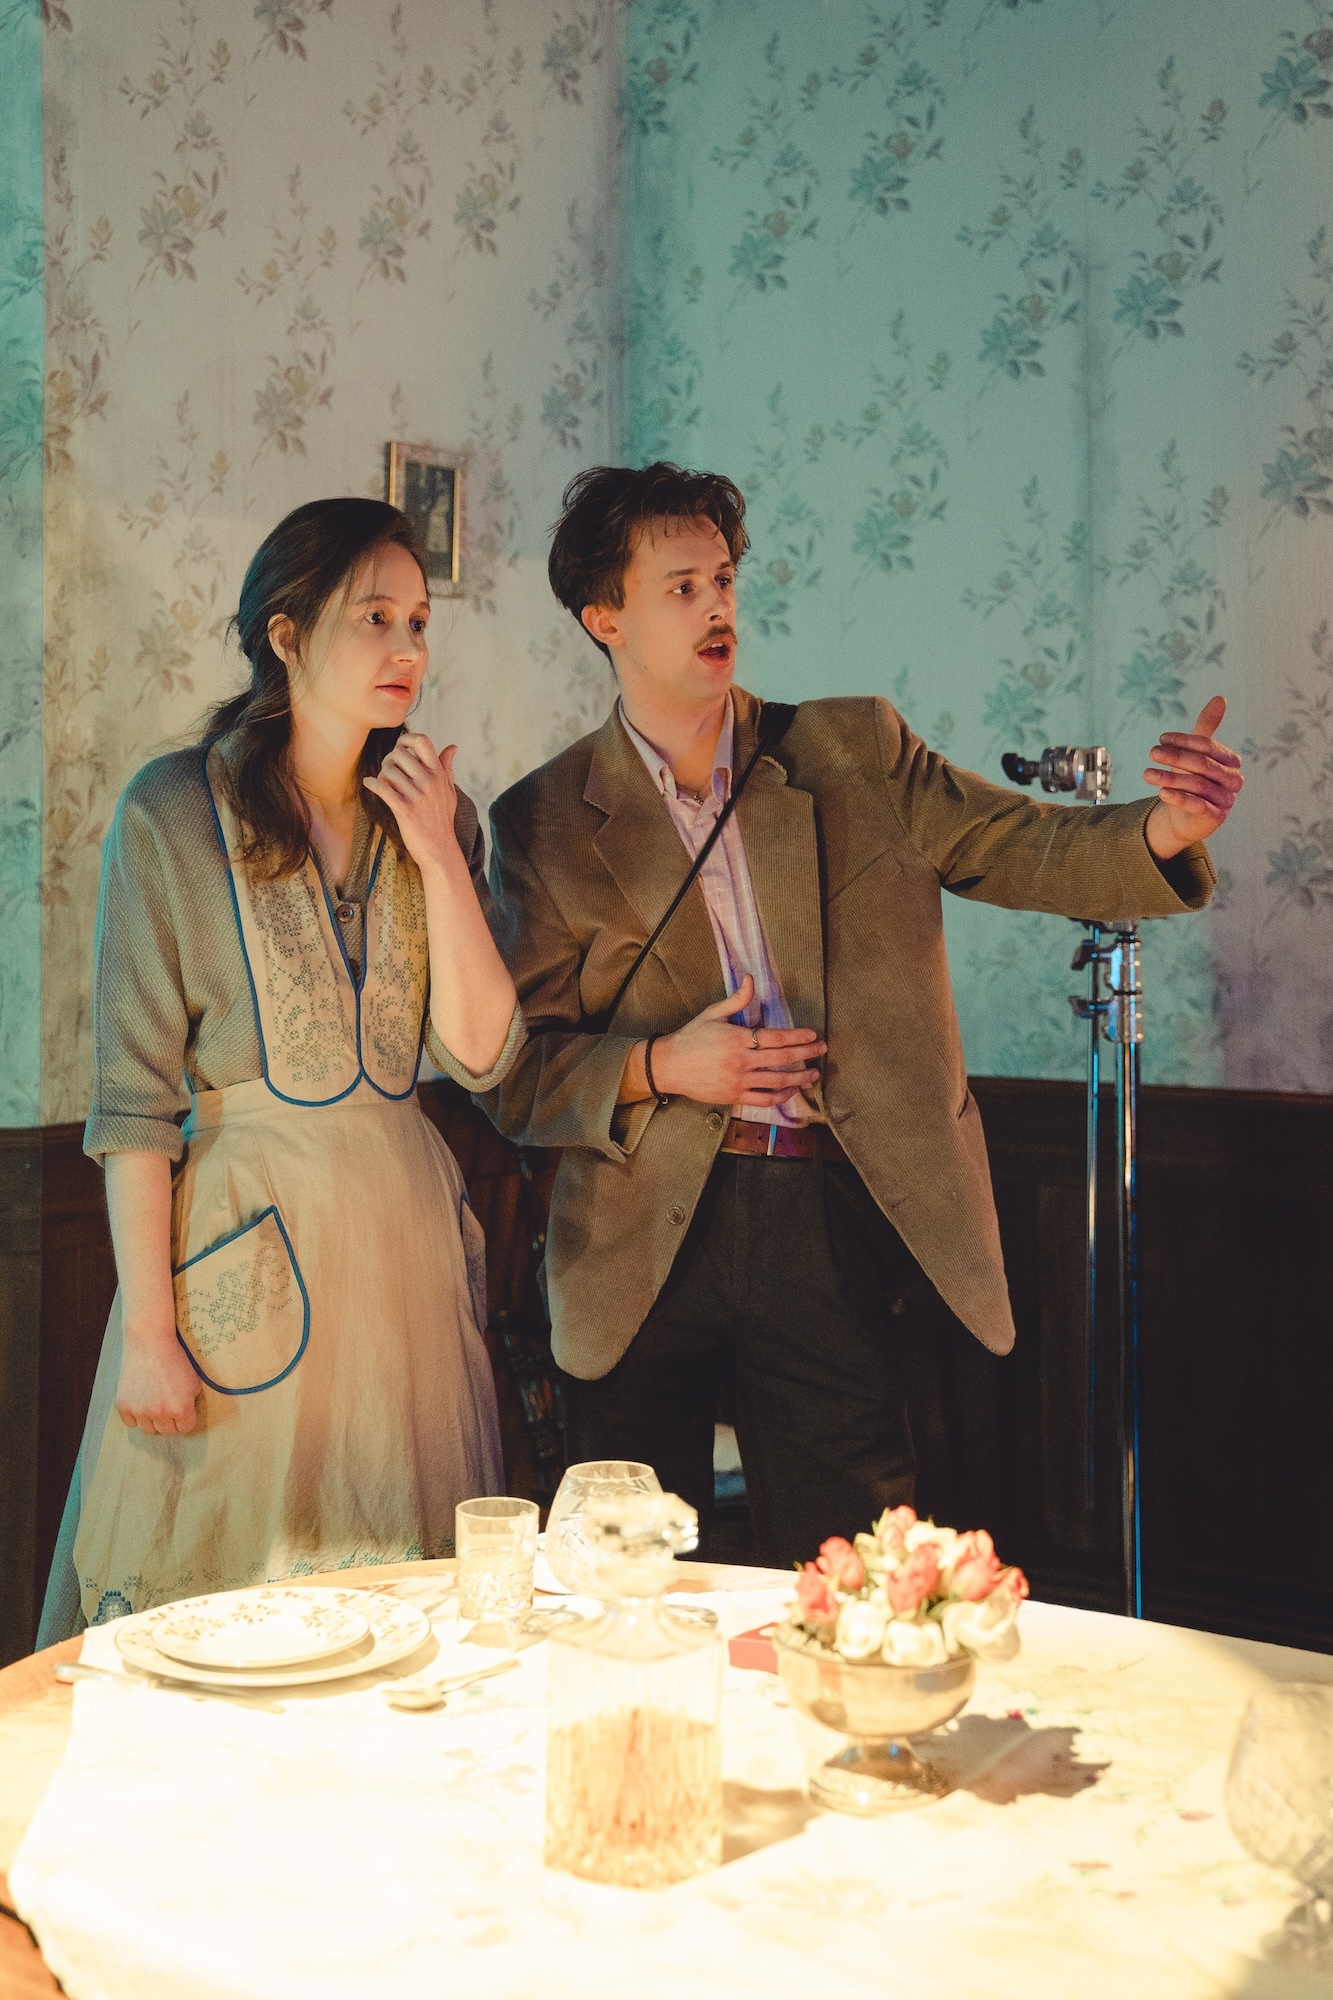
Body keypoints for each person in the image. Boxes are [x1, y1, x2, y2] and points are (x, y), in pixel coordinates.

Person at [477, 461, 1243, 1568]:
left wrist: (1165, 829)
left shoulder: (850, 749)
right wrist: (663, 1067)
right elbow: (517, 1074)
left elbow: (1019, 843)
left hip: (821, 1212)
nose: (717, 607)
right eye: (681, 587)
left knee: (845, 1563)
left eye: (723, 580)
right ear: (606, 617)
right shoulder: (542, 818)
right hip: (633, 1233)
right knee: (625, 1578)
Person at [39, 498, 521, 1642]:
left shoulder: (432, 814)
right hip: (240, 1255)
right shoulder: (172, 811)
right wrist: (150, 1335)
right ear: (286, 633)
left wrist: (439, 852)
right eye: (374, 617)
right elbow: (133, 1105)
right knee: (220, 1600)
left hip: (403, 1262)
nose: (406, 647)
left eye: (418, 621)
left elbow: (481, 1050)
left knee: (402, 1608)